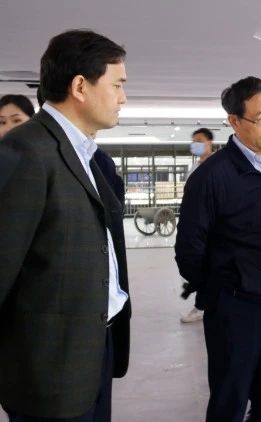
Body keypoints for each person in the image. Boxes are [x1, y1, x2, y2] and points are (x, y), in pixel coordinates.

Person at [0, 29, 131, 422]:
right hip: (49, 370)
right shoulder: (26, 150)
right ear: (80, 87)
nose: (123, 97)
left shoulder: (86, 153)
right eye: (117, 85)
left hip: (93, 348)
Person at [175, 76, 261, 422]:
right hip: (237, 309)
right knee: (230, 398)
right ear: (234, 121)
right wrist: (224, 289)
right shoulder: (211, 177)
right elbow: (189, 251)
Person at [178, 127, 216, 324]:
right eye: (194, 141)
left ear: (210, 143)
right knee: (196, 263)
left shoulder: (217, 166)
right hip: (195, 225)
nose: (195, 144)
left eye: (199, 140)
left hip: (210, 228)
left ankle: (202, 306)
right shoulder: (195, 167)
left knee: (208, 267)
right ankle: (201, 301)